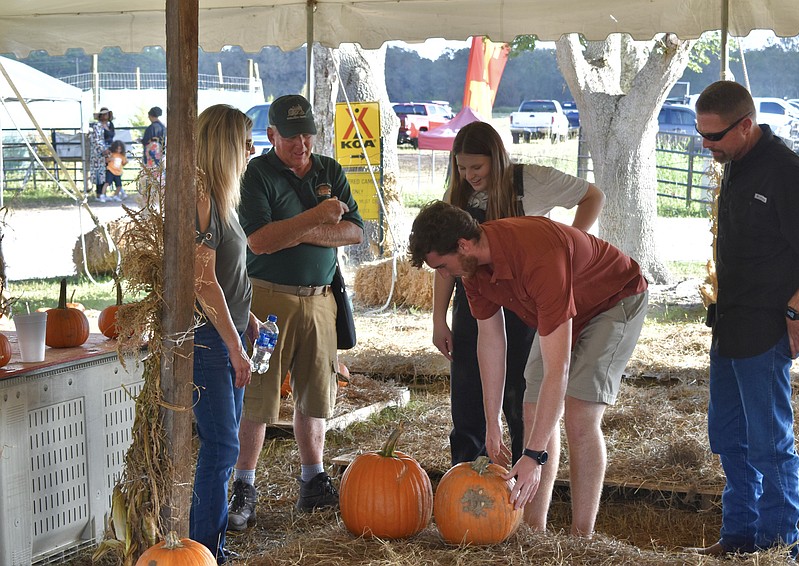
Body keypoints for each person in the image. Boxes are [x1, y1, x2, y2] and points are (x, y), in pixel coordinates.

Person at [409, 201, 648, 535]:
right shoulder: (473, 271)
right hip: (561, 308)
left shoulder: (537, 255)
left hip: (612, 300)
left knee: (579, 414)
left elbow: (557, 369)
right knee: (532, 411)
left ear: (463, 245)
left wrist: (534, 455)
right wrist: (492, 422)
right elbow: (491, 342)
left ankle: (582, 536)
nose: (445, 275)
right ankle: (534, 532)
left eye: (443, 266)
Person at [689, 81, 799, 558]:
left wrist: (798, 310)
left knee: (768, 444)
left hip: (766, 328)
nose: (706, 145)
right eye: (701, 134)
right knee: (729, 439)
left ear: (746, 125)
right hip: (730, 324)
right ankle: (739, 538)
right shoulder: (736, 163)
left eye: (714, 136)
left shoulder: (784, 172)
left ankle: (778, 549)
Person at [432, 121, 604, 467]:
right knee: (468, 392)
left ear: (496, 158)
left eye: (477, 167)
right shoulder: (457, 196)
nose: (469, 176)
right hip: (474, 297)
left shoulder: (531, 180)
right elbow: (444, 264)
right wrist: (439, 318)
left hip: (525, 298)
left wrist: (568, 248)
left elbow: (593, 196)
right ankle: (468, 475)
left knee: (521, 394)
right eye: (462, 168)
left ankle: (524, 475)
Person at [227, 94, 364, 530]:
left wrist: (296, 230)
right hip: (267, 303)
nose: (301, 144)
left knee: (316, 391)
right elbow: (260, 241)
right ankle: (244, 485)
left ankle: (313, 478)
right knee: (258, 393)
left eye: (307, 135)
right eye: (291, 137)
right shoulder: (256, 174)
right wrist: (320, 217)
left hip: (321, 299)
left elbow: (355, 232)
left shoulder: (330, 170)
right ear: (271, 135)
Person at [191, 104, 260, 564]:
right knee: (221, 447)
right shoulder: (202, 198)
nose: (251, 151)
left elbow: (229, 275)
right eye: (245, 143)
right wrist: (235, 346)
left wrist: (247, 319)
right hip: (211, 340)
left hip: (231, 332)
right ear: (224, 146)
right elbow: (202, 281)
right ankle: (203, 549)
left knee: (225, 444)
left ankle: (208, 545)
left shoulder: (223, 197)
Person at [88, 107, 115, 201]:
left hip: (109, 151)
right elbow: (96, 139)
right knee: (99, 172)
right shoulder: (97, 126)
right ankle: (99, 194)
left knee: (107, 171)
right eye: (103, 114)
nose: (105, 116)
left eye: (106, 114)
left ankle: (104, 193)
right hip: (99, 152)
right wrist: (103, 149)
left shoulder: (110, 125)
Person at [141, 106, 167, 170]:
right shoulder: (163, 127)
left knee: (151, 171)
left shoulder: (150, 128)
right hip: (161, 152)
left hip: (150, 153)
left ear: (151, 116)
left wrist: (141, 140)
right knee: (159, 170)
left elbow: (146, 141)